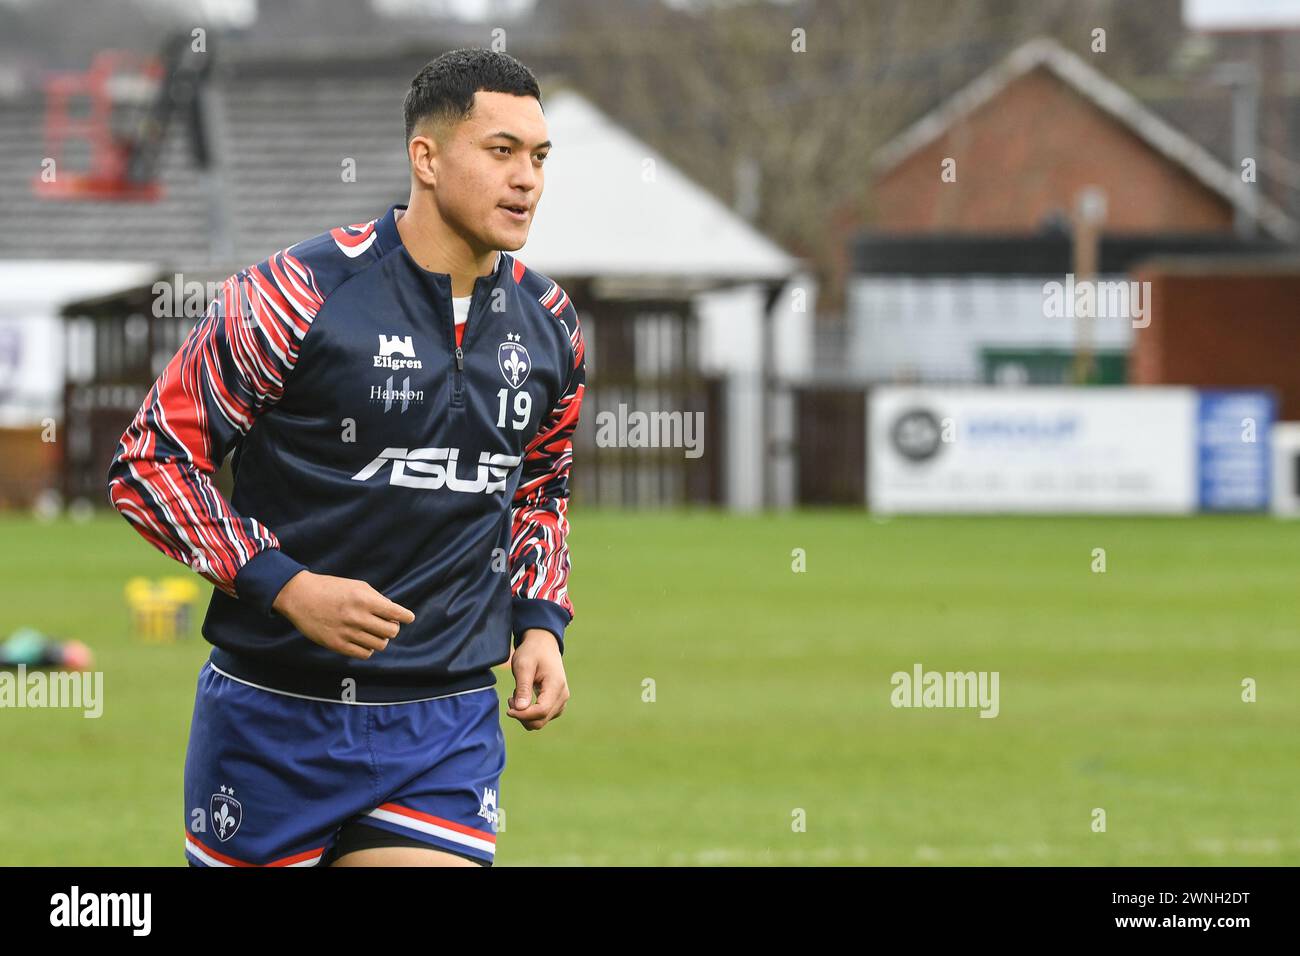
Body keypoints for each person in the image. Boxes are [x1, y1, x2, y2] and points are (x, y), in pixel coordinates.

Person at [106, 48, 585, 867]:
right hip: (273, 717)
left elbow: (539, 491)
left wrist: (539, 621)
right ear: (425, 159)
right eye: (500, 151)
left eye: (538, 157)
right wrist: (285, 586)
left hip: (445, 722)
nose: (526, 179)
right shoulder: (290, 297)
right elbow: (148, 464)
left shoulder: (551, 324)